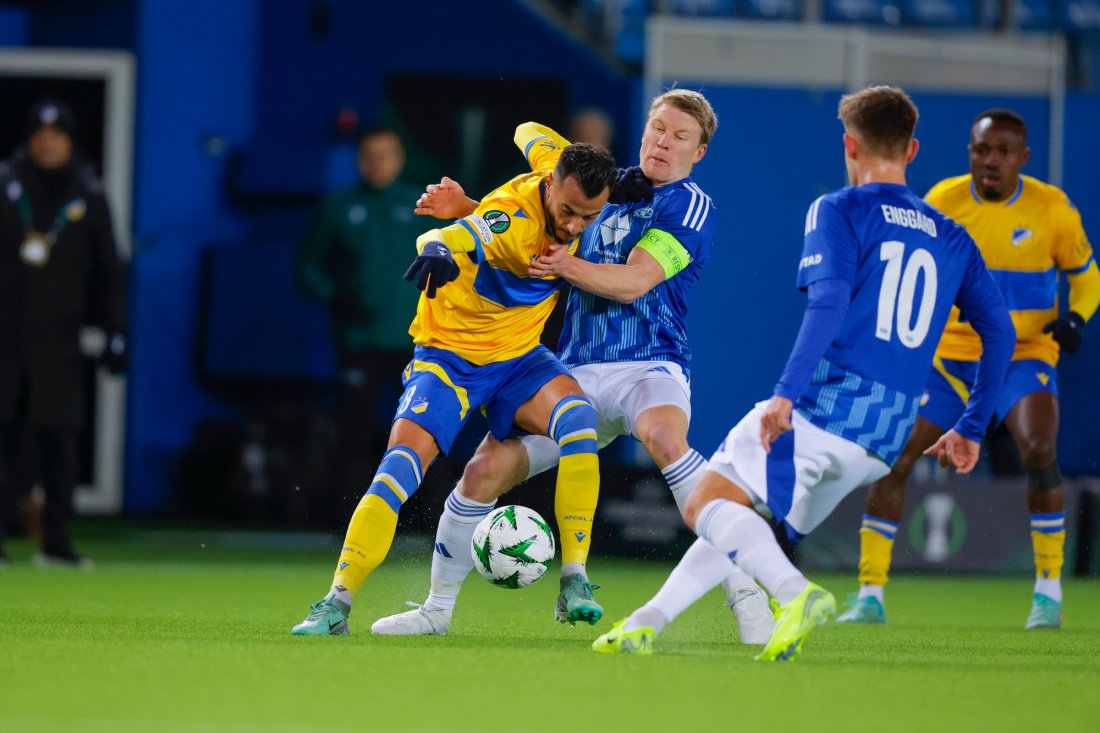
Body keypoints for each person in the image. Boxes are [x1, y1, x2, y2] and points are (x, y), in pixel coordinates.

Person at [591, 85, 1016, 661]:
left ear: (850, 145)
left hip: (831, 408)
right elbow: (1002, 333)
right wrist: (972, 425)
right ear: (912, 150)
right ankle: (647, 623)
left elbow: (828, 305)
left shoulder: (839, 209)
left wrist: (785, 395)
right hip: (890, 433)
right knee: (735, 518)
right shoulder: (952, 235)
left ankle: (795, 592)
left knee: (704, 502)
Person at [370, 88, 775, 643]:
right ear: (643, 131)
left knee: (664, 439)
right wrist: (469, 211)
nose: (664, 142)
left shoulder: (689, 205)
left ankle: (746, 594)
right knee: (482, 472)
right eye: (658, 128)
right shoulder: (603, 187)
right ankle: (436, 611)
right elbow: (529, 225)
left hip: (649, 365)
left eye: (680, 136)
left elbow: (634, 282)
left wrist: (565, 265)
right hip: (575, 369)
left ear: (698, 152)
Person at [291, 123, 622, 634]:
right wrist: (439, 248)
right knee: (399, 466)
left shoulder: (556, 163)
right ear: (551, 186)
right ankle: (336, 603)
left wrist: (473, 198)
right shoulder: (508, 216)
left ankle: (574, 579)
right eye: (567, 211)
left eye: (589, 216)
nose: (575, 225)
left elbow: (525, 129)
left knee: (579, 421)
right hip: (450, 359)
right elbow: (446, 235)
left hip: (517, 356)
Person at [837, 109, 1099, 630]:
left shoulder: (1053, 209)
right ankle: (870, 594)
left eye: (1004, 152)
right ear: (970, 154)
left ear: (1024, 158)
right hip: (951, 356)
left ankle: (1048, 591)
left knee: (1039, 449)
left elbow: (1087, 278)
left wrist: (1075, 318)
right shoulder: (943, 201)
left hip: (1023, 354)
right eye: (982, 150)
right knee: (894, 454)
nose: (991, 160)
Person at [0, 99, 128, 567]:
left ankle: (55, 541)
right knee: (5, 437)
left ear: (70, 141)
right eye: (39, 135)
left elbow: (110, 268)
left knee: (59, 441)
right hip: (5, 335)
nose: (47, 143)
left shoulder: (88, 192)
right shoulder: (5, 183)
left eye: (56, 135)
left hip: (59, 339)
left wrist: (116, 330)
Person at [296, 127, 424, 523]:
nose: (378, 163)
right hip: (359, 340)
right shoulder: (338, 206)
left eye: (386, 155)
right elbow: (307, 267)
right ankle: (348, 520)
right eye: (370, 155)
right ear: (359, 160)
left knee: (422, 430)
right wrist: (336, 297)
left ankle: (428, 521)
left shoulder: (421, 205)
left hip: (415, 340)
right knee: (354, 431)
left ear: (400, 159)